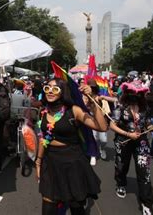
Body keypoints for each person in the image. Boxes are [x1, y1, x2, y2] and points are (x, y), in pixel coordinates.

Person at [36, 78, 108, 215]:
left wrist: (92, 100)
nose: (50, 91)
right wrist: (38, 162)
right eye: (47, 88)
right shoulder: (44, 111)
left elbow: (102, 127)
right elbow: (43, 138)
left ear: (63, 92)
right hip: (50, 163)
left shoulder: (74, 111)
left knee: (76, 207)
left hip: (73, 164)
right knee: (48, 208)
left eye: (55, 89)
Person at [110, 81, 153, 215]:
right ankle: (121, 184)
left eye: (138, 94)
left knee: (144, 173)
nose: (135, 96)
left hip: (142, 143)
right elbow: (112, 125)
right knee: (122, 166)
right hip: (123, 141)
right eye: (132, 93)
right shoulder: (120, 106)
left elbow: (148, 124)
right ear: (127, 93)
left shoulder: (145, 108)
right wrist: (128, 134)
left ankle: (147, 204)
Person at [85, 79, 109, 166]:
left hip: (101, 121)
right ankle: (93, 155)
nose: (91, 89)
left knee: (104, 140)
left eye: (93, 87)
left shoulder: (100, 97)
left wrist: (103, 99)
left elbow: (111, 103)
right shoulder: (84, 97)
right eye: (90, 87)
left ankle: (102, 149)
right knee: (93, 138)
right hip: (91, 120)